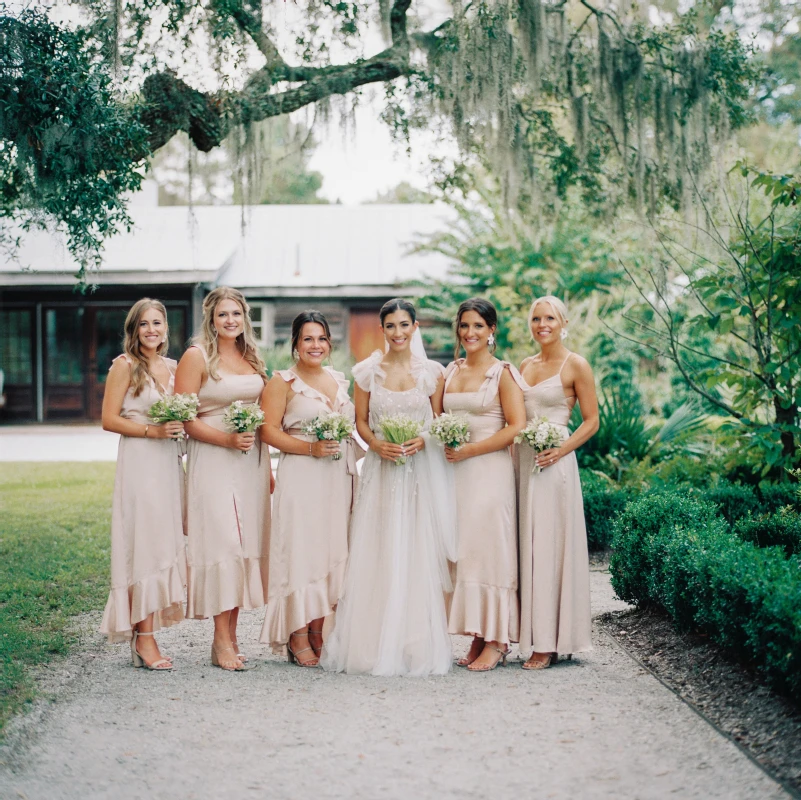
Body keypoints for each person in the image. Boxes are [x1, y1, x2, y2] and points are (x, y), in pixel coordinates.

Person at [321, 298, 456, 676]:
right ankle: (371, 641)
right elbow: (361, 422)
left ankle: (414, 643)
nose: (398, 333)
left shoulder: (432, 373)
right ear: (383, 330)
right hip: (381, 471)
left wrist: (423, 439)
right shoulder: (367, 372)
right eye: (391, 326)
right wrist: (375, 444)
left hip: (417, 473)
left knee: (415, 548)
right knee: (378, 547)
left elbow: (438, 419)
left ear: (415, 328)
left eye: (404, 325)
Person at [175, 286, 272, 672]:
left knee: (244, 543)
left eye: (236, 314)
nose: (230, 321)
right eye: (222, 315)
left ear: (244, 318)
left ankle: (231, 637)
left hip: (251, 462)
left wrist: (268, 467)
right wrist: (227, 439)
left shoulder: (251, 357)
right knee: (223, 545)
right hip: (214, 458)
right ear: (211, 320)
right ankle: (220, 640)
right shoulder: (196, 357)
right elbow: (185, 419)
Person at [259, 311, 356, 667]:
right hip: (301, 473)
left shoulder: (338, 380)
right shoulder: (282, 382)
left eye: (321, 339)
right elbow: (268, 432)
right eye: (308, 339)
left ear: (329, 344)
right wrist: (310, 448)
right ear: (296, 345)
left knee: (331, 550)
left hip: (337, 476)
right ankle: (297, 633)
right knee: (302, 550)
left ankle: (319, 630)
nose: (315, 345)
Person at [437, 298, 526, 672]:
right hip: (454, 474)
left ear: (492, 331)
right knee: (464, 552)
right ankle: (477, 634)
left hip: (488, 470)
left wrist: (471, 449)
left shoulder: (502, 373)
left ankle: (498, 640)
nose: (470, 333)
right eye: (464, 326)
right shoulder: (450, 371)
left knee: (490, 551)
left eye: (478, 326)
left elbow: (516, 426)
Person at [99, 298, 186, 670]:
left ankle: (145, 632)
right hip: (140, 461)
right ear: (133, 331)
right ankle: (144, 638)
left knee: (163, 541)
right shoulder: (125, 367)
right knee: (144, 542)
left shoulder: (174, 368)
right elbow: (108, 419)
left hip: (168, 463)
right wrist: (153, 431)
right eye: (143, 324)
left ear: (166, 328)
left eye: (157, 323)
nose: (151, 330)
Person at [517, 296, 599, 669]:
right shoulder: (524, 365)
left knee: (550, 546)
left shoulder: (575, 364)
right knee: (530, 547)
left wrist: (560, 450)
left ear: (562, 322)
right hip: (524, 462)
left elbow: (591, 421)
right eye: (536, 318)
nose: (542, 324)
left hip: (556, 464)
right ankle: (533, 634)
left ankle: (548, 644)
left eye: (549, 317)